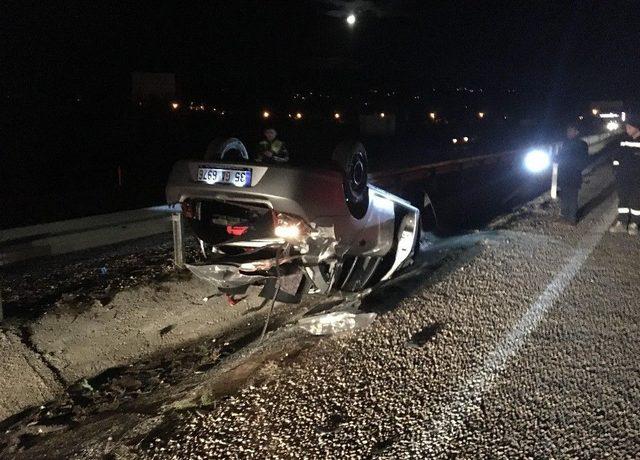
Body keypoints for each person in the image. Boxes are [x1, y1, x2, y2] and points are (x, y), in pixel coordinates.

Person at [610, 113, 640, 235]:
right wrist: (616, 169)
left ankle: (634, 224)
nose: (627, 129)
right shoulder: (623, 140)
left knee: (636, 200)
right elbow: (616, 156)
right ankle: (622, 222)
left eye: (629, 127)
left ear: (637, 128)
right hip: (623, 176)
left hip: (637, 177)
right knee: (623, 198)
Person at [557, 122, 589, 224]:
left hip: (573, 174)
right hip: (564, 173)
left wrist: (576, 167)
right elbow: (560, 157)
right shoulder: (565, 143)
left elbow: (583, 160)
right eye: (568, 131)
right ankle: (565, 215)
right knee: (564, 195)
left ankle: (572, 218)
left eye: (571, 131)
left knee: (572, 196)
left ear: (577, 132)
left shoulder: (581, 144)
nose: (568, 133)